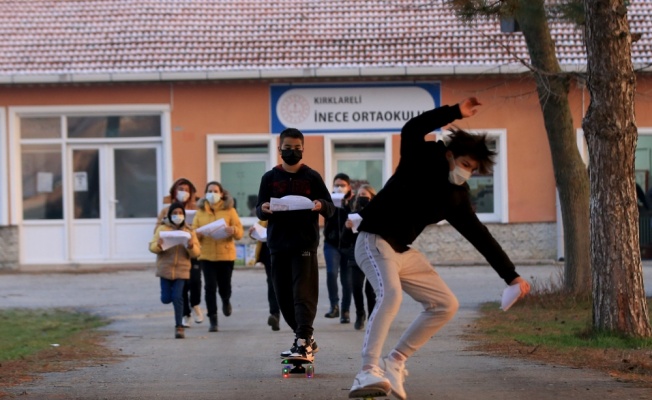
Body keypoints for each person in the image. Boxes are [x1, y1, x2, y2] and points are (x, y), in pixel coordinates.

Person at [348, 97, 531, 400]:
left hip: (402, 251)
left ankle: (395, 361)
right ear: (450, 155)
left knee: (446, 304)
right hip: (372, 240)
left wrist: (511, 277)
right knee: (390, 294)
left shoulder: (456, 198)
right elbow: (412, 128)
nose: (467, 172)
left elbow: (480, 236)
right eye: (465, 164)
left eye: (473, 169)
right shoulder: (418, 158)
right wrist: (455, 112)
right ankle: (367, 371)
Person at [256, 127, 335, 362]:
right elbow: (260, 207)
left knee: (303, 293)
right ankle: (305, 338)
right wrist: (263, 209)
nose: (292, 152)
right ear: (280, 149)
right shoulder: (269, 178)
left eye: (297, 148)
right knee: (283, 296)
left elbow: (330, 208)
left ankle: (303, 341)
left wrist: (321, 204)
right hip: (278, 245)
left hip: (304, 244)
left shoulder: (312, 177)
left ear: (303, 150)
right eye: (288, 148)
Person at [192, 181, 244, 332]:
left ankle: (226, 300)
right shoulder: (200, 211)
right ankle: (213, 319)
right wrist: (198, 234)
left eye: (215, 191)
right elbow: (194, 232)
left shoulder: (229, 210)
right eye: (209, 191)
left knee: (224, 286)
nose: (212, 194)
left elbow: (240, 232)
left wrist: (233, 230)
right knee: (209, 287)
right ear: (205, 193)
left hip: (226, 255)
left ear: (221, 194)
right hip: (206, 256)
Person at [155, 177, 203, 328]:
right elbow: (157, 230)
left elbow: (203, 227)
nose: (183, 193)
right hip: (173, 251)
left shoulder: (197, 209)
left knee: (195, 281)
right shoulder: (165, 210)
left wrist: (193, 233)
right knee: (180, 284)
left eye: (186, 190)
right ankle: (185, 313)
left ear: (192, 193)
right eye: (180, 190)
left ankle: (195, 304)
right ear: (174, 192)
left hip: (192, 248)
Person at [149, 202, 200, 339]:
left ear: (184, 215)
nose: (177, 216)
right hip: (165, 269)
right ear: (169, 215)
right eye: (174, 213)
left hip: (182, 270)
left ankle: (179, 327)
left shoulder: (189, 231)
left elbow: (196, 253)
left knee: (178, 297)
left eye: (180, 213)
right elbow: (152, 246)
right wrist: (158, 245)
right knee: (166, 299)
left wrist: (190, 246)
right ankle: (170, 301)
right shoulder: (162, 229)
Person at [341, 184, 377, 331]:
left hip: (374, 255)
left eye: (365, 196)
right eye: (360, 195)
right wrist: (347, 227)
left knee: (370, 290)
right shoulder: (353, 215)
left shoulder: (378, 213)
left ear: (372, 198)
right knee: (356, 286)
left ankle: (373, 317)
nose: (362, 198)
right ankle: (360, 314)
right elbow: (344, 240)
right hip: (356, 254)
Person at [323, 172, 355, 323]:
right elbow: (325, 216)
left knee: (346, 279)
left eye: (342, 185)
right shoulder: (329, 200)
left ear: (348, 187)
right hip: (331, 243)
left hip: (348, 245)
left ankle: (345, 310)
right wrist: (332, 204)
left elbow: (356, 217)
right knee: (331, 273)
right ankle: (334, 306)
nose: (339, 188)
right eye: (337, 185)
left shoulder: (354, 201)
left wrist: (347, 205)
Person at [248, 219, 281, 331]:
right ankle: (274, 315)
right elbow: (260, 230)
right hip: (269, 255)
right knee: (272, 284)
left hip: (286, 252)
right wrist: (253, 232)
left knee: (286, 285)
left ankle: (297, 318)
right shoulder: (266, 215)